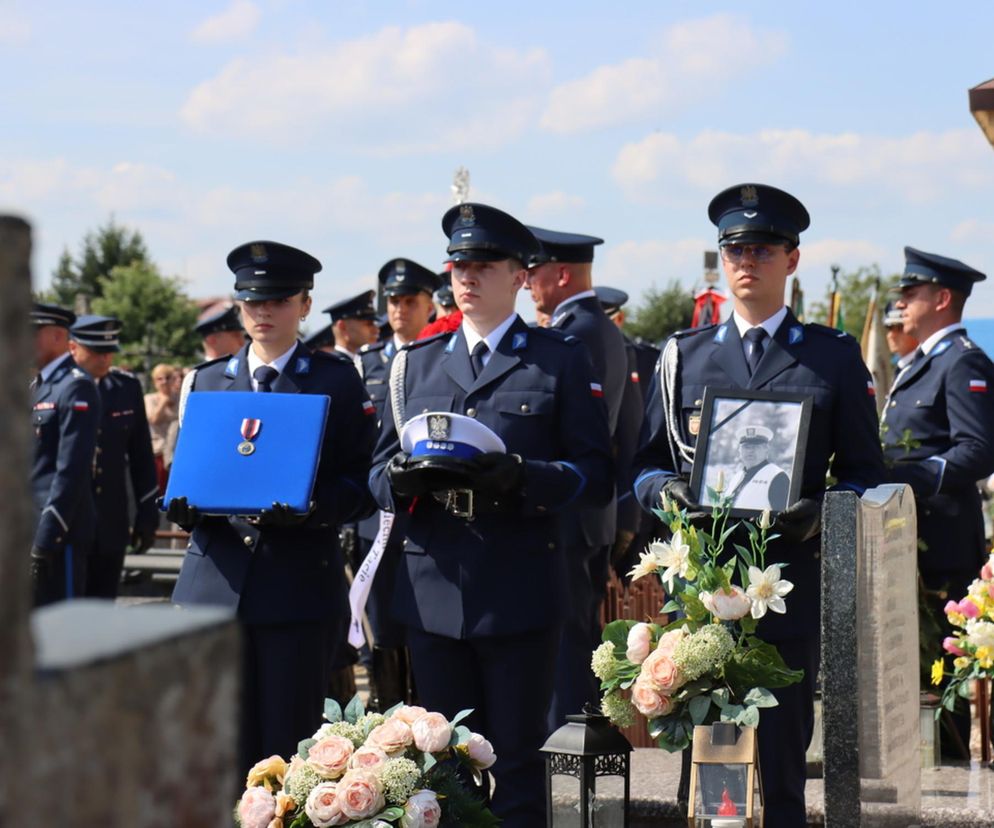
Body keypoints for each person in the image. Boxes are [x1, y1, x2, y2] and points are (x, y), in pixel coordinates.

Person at [632, 183, 884, 827]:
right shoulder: (684, 356)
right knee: (709, 777)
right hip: (701, 595)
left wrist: (822, 511)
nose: (747, 262)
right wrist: (668, 493)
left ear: (791, 260)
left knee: (781, 770)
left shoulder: (830, 356)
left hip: (786, 590)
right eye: (735, 250)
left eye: (764, 250)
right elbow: (644, 465)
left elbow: (864, 473)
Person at [369, 203, 613, 827]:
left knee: (519, 763)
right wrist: (396, 479)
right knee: (442, 767)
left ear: (520, 276)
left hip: (518, 585)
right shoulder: (415, 362)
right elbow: (376, 471)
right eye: (459, 266)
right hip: (433, 589)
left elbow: (595, 473)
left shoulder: (557, 359)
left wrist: (524, 477)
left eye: (484, 265)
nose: (468, 277)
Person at [167, 240, 376, 775]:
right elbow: (188, 474)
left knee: (288, 751)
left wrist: (312, 506)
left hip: (295, 587)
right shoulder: (206, 380)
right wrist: (182, 508)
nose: (263, 312)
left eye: (279, 300)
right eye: (252, 301)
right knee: (215, 749)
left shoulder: (334, 379)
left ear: (305, 305)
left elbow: (362, 483)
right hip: (215, 591)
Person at [882, 246, 994, 758]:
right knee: (913, 664)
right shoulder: (921, 362)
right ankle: (921, 764)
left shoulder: (962, 360)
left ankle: (946, 771)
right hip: (909, 538)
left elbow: (978, 450)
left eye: (912, 292)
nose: (901, 302)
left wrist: (906, 477)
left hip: (942, 545)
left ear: (943, 298)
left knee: (941, 667)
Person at [524, 226, 627, 731]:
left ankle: (563, 759)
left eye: (534, 271)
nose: (526, 283)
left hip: (567, 514)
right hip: (584, 517)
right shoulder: (595, 326)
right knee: (570, 643)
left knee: (564, 652)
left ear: (562, 274)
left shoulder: (576, 333)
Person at [356, 257, 440, 710]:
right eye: (393, 301)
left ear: (430, 305)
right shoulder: (368, 362)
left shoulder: (437, 359)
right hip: (379, 516)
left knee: (425, 626)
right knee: (383, 623)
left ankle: (426, 713)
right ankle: (387, 713)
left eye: (410, 301)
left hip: (425, 515)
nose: (400, 310)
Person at [68, 315, 159, 598]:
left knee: (104, 605)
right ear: (73, 348)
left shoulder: (126, 388)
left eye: (109, 351)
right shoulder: (52, 387)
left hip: (111, 521)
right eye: (97, 351)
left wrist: (147, 513)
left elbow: (141, 455)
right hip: (67, 524)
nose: (105, 358)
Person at [30, 303, 100, 606]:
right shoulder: (38, 385)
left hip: (58, 534)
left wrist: (46, 537)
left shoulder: (75, 386)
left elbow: (70, 470)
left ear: (58, 336)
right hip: (28, 528)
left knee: (58, 624)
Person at [723, 425, 790, 511]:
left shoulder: (778, 477)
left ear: (766, 449)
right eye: (746, 446)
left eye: (756, 446)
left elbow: (784, 516)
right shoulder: (736, 477)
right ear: (739, 450)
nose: (750, 451)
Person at [145, 363, 179, 494]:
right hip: (158, 451)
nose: (164, 381)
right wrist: (164, 401)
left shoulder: (181, 397)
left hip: (176, 452)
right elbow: (153, 419)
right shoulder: (149, 399)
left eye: (167, 377)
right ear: (155, 382)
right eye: (160, 378)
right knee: (159, 491)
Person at [324, 289, 380, 362]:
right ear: (343, 327)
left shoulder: (361, 363)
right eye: (369, 324)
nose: (376, 330)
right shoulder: (333, 366)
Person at [883, 299, 919, 364]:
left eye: (900, 328)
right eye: (890, 329)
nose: (891, 335)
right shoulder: (903, 366)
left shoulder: (930, 365)